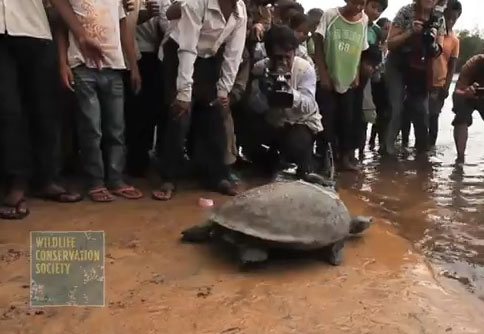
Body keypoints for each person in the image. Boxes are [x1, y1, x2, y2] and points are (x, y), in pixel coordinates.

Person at [0, 0, 108, 219]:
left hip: (35, 32)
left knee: (45, 110)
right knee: (8, 110)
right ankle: (16, 183)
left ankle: (47, 179)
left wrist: (81, 34)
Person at [152, 0, 247, 201]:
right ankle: (169, 178)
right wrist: (184, 93)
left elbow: (234, 53)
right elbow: (187, 48)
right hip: (178, 54)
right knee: (179, 115)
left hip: (209, 58)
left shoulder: (240, 11)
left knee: (214, 114)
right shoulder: (195, 3)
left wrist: (224, 90)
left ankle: (216, 176)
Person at [56, 0, 144, 202]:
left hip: (113, 67)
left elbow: (124, 32)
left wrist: (133, 66)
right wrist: (63, 63)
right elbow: (61, 28)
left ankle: (115, 178)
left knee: (116, 129)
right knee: (91, 128)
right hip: (82, 66)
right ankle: (95, 181)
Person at [246, 24, 323, 179]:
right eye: (277, 57)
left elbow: (309, 106)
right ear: (269, 54)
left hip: (299, 122)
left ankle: (307, 161)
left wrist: (291, 94)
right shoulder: (260, 69)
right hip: (272, 120)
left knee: (297, 145)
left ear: (294, 52)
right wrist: (264, 92)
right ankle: (268, 160)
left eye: (287, 57)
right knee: (248, 130)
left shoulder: (305, 69)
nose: (283, 62)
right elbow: (253, 106)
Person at [382, 0, 445, 156]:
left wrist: (432, 43)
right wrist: (410, 31)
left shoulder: (439, 18)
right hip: (397, 64)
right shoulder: (406, 11)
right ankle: (387, 152)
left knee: (421, 110)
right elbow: (390, 44)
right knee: (396, 107)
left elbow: (438, 51)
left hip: (420, 67)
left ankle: (421, 158)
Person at [313, 0, 369, 171]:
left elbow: (360, 48)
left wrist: (356, 73)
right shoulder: (331, 15)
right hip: (329, 76)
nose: (359, 7)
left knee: (347, 120)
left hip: (349, 78)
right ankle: (323, 159)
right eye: (355, 3)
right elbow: (317, 42)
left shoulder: (364, 20)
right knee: (326, 120)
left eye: (362, 4)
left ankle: (344, 158)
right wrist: (323, 74)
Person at [354, 0, 387, 159]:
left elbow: (377, 55)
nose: (375, 12)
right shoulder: (353, 22)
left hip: (366, 77)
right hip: (348, 73)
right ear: (365, 5)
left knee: (363, 116)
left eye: (379, 10)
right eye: (373, 7)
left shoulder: (376, 31)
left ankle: (359, 153)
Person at [428, 0, 461, 148]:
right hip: (422, 81)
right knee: (416, 117)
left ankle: (429, 151)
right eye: (448, 18)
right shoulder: (433, 32)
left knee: (433, 118)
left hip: (439, 85)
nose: (450, 22)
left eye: (454, 19)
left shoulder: (454, 40)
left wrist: (446, 88)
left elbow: (452, 66)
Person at [451, 55, 484, 166]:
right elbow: (458, 90)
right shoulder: (473, 64)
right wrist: (466, 92)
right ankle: (460, 158)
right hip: (468, 94)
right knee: (461, 118)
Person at [368, 17, 391, 150]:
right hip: (374, 83)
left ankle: (380, 141)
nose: (387, 32)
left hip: (385, 83)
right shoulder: (374, 45)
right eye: (385, 29)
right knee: (377, 113)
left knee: (385, 113)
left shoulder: (389, 47)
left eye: (390, 29)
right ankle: (372, 140)